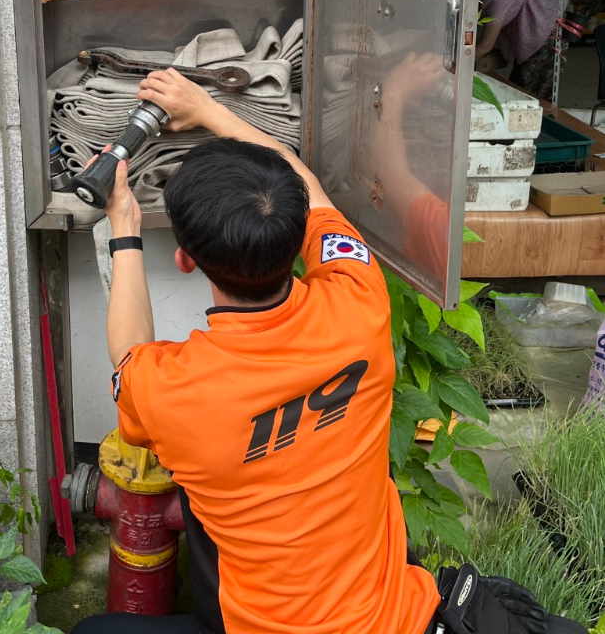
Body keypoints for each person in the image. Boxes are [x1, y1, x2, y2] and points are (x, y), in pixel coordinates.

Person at [75, 68, 583, 634]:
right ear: (299, 241)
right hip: (398, 620)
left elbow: (129, 354)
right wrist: (207, 109)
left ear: (186, 259)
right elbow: (303, 183)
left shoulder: (170, 393)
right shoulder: (359, 301)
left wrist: (124, 226)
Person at [477, 0, 561, 101]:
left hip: (548, 33)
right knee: (518, 83)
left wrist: (459, 66)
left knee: (528, 93)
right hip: (539, 22)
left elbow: (485, 45)